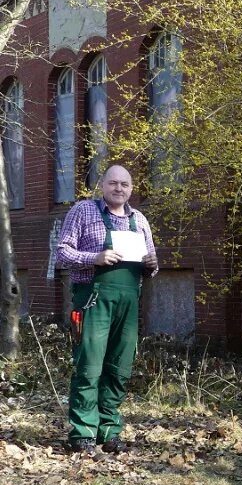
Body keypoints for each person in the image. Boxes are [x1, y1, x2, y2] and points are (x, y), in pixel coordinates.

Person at [56, 165, 159, 455]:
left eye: (125, 184)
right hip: (92, 300)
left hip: (128, 303)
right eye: (113, 183)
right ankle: (83, 433)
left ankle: (109, 431)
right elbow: (62, 252)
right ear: (102, 185)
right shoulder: (83, 210)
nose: (119, 189)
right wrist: (95, 258)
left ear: (131, 188)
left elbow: (153, 263)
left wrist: (152, 265)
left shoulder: (139, 219)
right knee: (89, 367)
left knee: (119, 369)